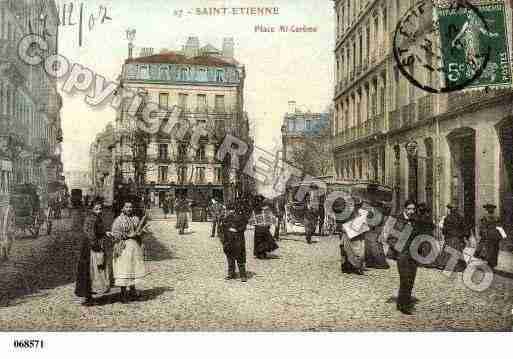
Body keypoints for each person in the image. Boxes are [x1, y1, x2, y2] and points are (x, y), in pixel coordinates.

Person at [382, 199, 418, 315]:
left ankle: (404, 302)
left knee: (411, 279)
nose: (411, 211)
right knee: (405, 279)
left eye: (413, 209)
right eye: (409, 209)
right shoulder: (397, 220)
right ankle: (403, 305)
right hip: (402, 254)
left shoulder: (415, 220)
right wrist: (400, 248)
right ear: (404, 209)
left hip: (414, 255)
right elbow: (389, 238)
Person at [110, 201, 148, 303]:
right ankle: (122, 293)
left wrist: (141, 232)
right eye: (126, 207)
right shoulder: (118, 220)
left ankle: (132, 290)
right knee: (124, 268)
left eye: (130, 207)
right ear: (122, 208)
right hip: (123, 247)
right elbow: (115, 234)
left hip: (134, 247)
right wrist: (126, 235)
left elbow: (139, 233)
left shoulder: (135, 219)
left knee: (133, 268)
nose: (129, 209)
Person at [75, 202, 109, 306]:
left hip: (95, 245)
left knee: (95, 271)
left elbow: (99, 231)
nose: (99, 211)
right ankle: (87, 296)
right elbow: (89, 233)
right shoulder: (90, 218)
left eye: (100, 209)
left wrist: (105, 233)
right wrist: (96, 244)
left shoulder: (98, 218)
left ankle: (91, 294)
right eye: (97, 209)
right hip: (89, 248)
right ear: (92, 209)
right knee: (88, 271)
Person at [221, 203, 249, 282]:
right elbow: (221, 229)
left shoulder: (240, 217)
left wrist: (236, 230)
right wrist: (223, 240)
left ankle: (243, 275)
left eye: (231, 210)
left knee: (240, 257)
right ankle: (231, 274)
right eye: (229, 210)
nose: (230, 211)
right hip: (228, 240)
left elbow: (244, 226)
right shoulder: (225, 217)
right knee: (230, 257)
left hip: (238, 240)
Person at [339, 198, 367, 275]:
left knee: (358, 252)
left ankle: (357, 267)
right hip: (348, 235)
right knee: (348, 251)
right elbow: (340, 224)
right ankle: (349, 268)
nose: (356, 207)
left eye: (358, 205)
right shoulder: (346, 213)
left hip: (357, 235)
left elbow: (364, 224)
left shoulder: (362, 213)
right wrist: (344, 229)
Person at [440, 204, 467, 271]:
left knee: (448, 251)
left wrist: (445, 234)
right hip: (457, 237)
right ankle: (457, 266)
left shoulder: (447, 218)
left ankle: (446, 265)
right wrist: (462, 235)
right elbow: (464, 228)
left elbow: (444, 229)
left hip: (449, 237)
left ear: (450, 210)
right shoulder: (460, 218)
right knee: (457, 251)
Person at [475, 204, 503, 269]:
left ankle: (491, 263)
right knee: (492, 249)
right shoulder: (495, 217)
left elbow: (483, 227)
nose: (490, 210)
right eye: (489, 209)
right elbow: (500, 227)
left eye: (491, 209)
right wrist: (502, 236)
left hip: (491, 235)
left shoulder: (486, 217)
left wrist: (482, 233)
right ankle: (492, 263)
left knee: (491, 249)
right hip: (493, 235)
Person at [364, 201, 390, 269]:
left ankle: (378, 262)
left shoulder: (378, 213)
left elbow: (374, 223)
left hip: (374, 232)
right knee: (373, 245)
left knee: (374, 246)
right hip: (374, 231)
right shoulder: (380, 212)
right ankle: (371, 262)